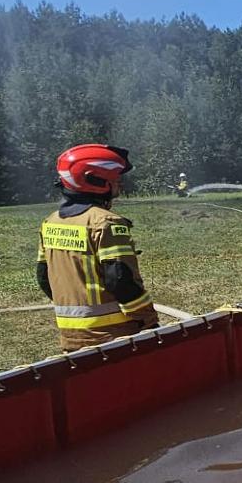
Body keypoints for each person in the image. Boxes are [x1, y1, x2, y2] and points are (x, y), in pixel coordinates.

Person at [36, 144, 159, 351]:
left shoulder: (50, 222)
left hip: (71, 336)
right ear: (95, 180)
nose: (119, 183)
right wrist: (148, 320)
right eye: (115, 178)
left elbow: (43, 277)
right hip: (114, 336)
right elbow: (121, 280)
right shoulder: (106, 224)